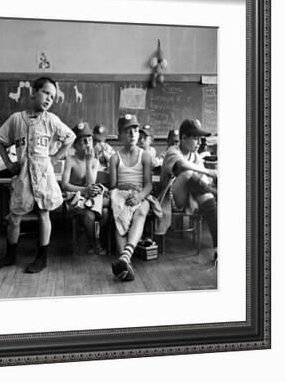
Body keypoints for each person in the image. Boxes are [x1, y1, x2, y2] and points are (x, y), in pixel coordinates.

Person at [0, 77, 76, 273]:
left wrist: (55, 158)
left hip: (43, 175)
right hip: (23, 175)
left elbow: (70, 137)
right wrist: (8, 163)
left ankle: (42, 257)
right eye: (46, 93)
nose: (49, 99)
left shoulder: (51, 120)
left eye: (53, 97)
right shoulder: (16, 119)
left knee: (43, 213)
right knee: (14, 217)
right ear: (33, 92)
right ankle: (10, 255)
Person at [155, 119, 218, 262]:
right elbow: (182, 165)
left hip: (190, 199)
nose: (198, 142)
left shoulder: (195, 156)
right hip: (169, 201)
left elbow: (204, 182)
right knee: (188, 173)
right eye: (195, 138)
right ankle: (217, 194)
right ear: (183, 138)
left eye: (199, 138)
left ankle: (217, 248)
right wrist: (209, 171)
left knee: (208, 198)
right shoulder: (173, 151)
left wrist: (207, 182)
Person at [109, 114, 161, 282]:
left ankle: (125, 258)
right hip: (121, 194)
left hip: (140, 194)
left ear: (139, 134)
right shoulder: (115, 158)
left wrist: (138, 196)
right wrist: (123, 196)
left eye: (135, 130)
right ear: (119, 135)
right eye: (127, 131)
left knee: (141, 212)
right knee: (119, 219)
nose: (132, 134)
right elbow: (113, 186)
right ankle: (126, 262)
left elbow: (149, 185)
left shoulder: (145, 155)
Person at [61, 122, 109, 254]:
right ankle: (94, 242)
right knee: (90, 214)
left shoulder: (94, 161)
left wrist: (88, 161)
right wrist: (84, 191)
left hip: (90, 198)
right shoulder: (70, 160)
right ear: (75, 145)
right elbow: (64, 185)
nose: (88, 143)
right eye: (84, 141)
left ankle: (92, 235)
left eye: (90, 139)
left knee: (105, 212)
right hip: (75, 198)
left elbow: (90, 183)